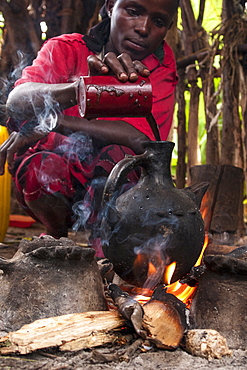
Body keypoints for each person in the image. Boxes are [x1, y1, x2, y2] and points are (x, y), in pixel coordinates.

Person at [0, 0, 179, 252]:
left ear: (169, 27)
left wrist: (53, 122)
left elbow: (140, 140)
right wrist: (79, 89)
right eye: (133, 11)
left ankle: (105, 247)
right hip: (64, 178)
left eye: (158, 21)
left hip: (113, 182)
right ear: (109, 7)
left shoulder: (160, 66)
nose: (143, 27)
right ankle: (56, 233)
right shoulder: (64, 48)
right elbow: (17, 101)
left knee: (123, 161)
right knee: (39, 169)